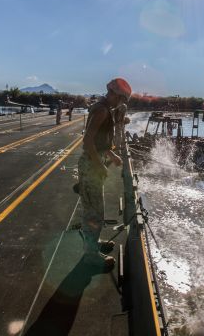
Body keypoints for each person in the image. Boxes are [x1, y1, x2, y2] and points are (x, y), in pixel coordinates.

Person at [78, 77, 131, 271]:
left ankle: (93, 243)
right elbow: (88, 141)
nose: (121, 103)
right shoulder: (101, 110)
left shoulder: (104, 108)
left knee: (93, 209)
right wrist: (100, 165)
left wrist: (111, 154)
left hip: (93, 163)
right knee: (95, 212)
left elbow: (99, 140)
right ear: (117, 95)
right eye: (122, 99)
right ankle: (90, 256)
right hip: (91, 165)